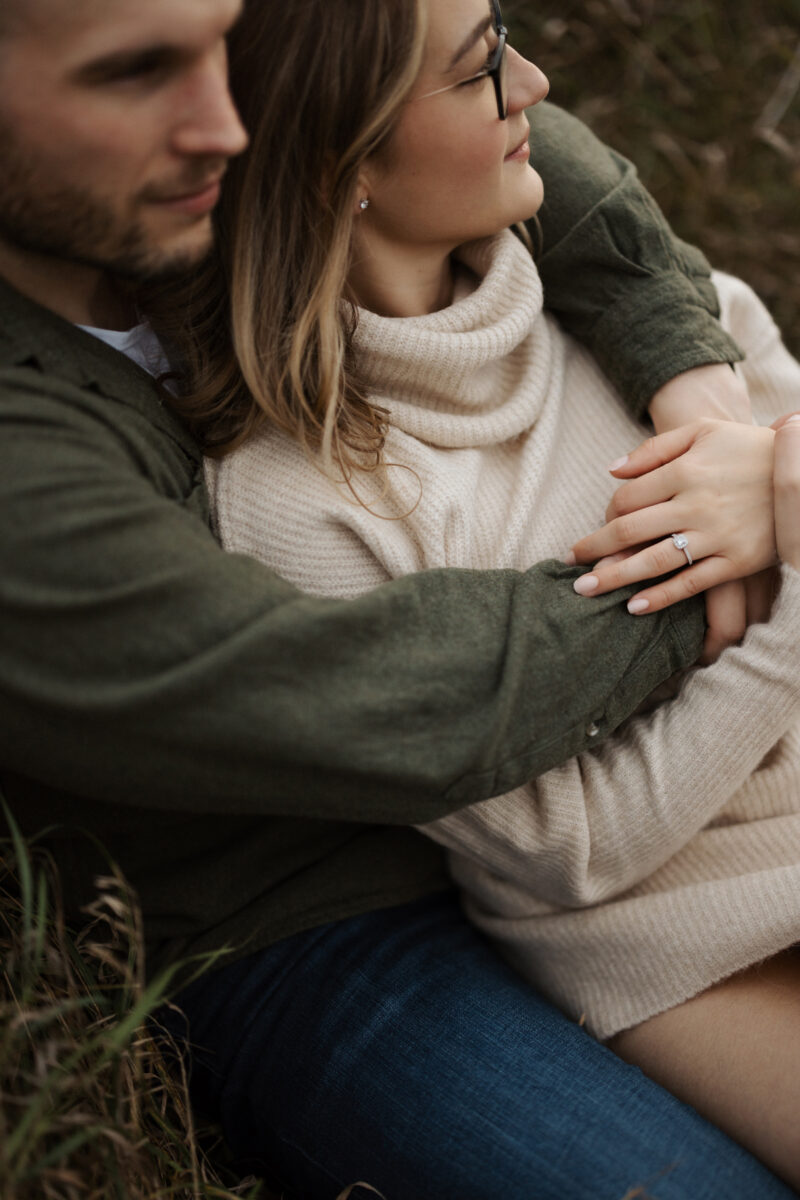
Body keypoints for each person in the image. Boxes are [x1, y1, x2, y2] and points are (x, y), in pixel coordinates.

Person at [0, 0, 793, 1196]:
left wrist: (702, 396)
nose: (226, 126)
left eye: (222, 53)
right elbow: (379, 707)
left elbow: (465, 105)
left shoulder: (213, 157)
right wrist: (733, 536)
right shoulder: (62, 457)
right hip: (308, 904)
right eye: (138, 73)